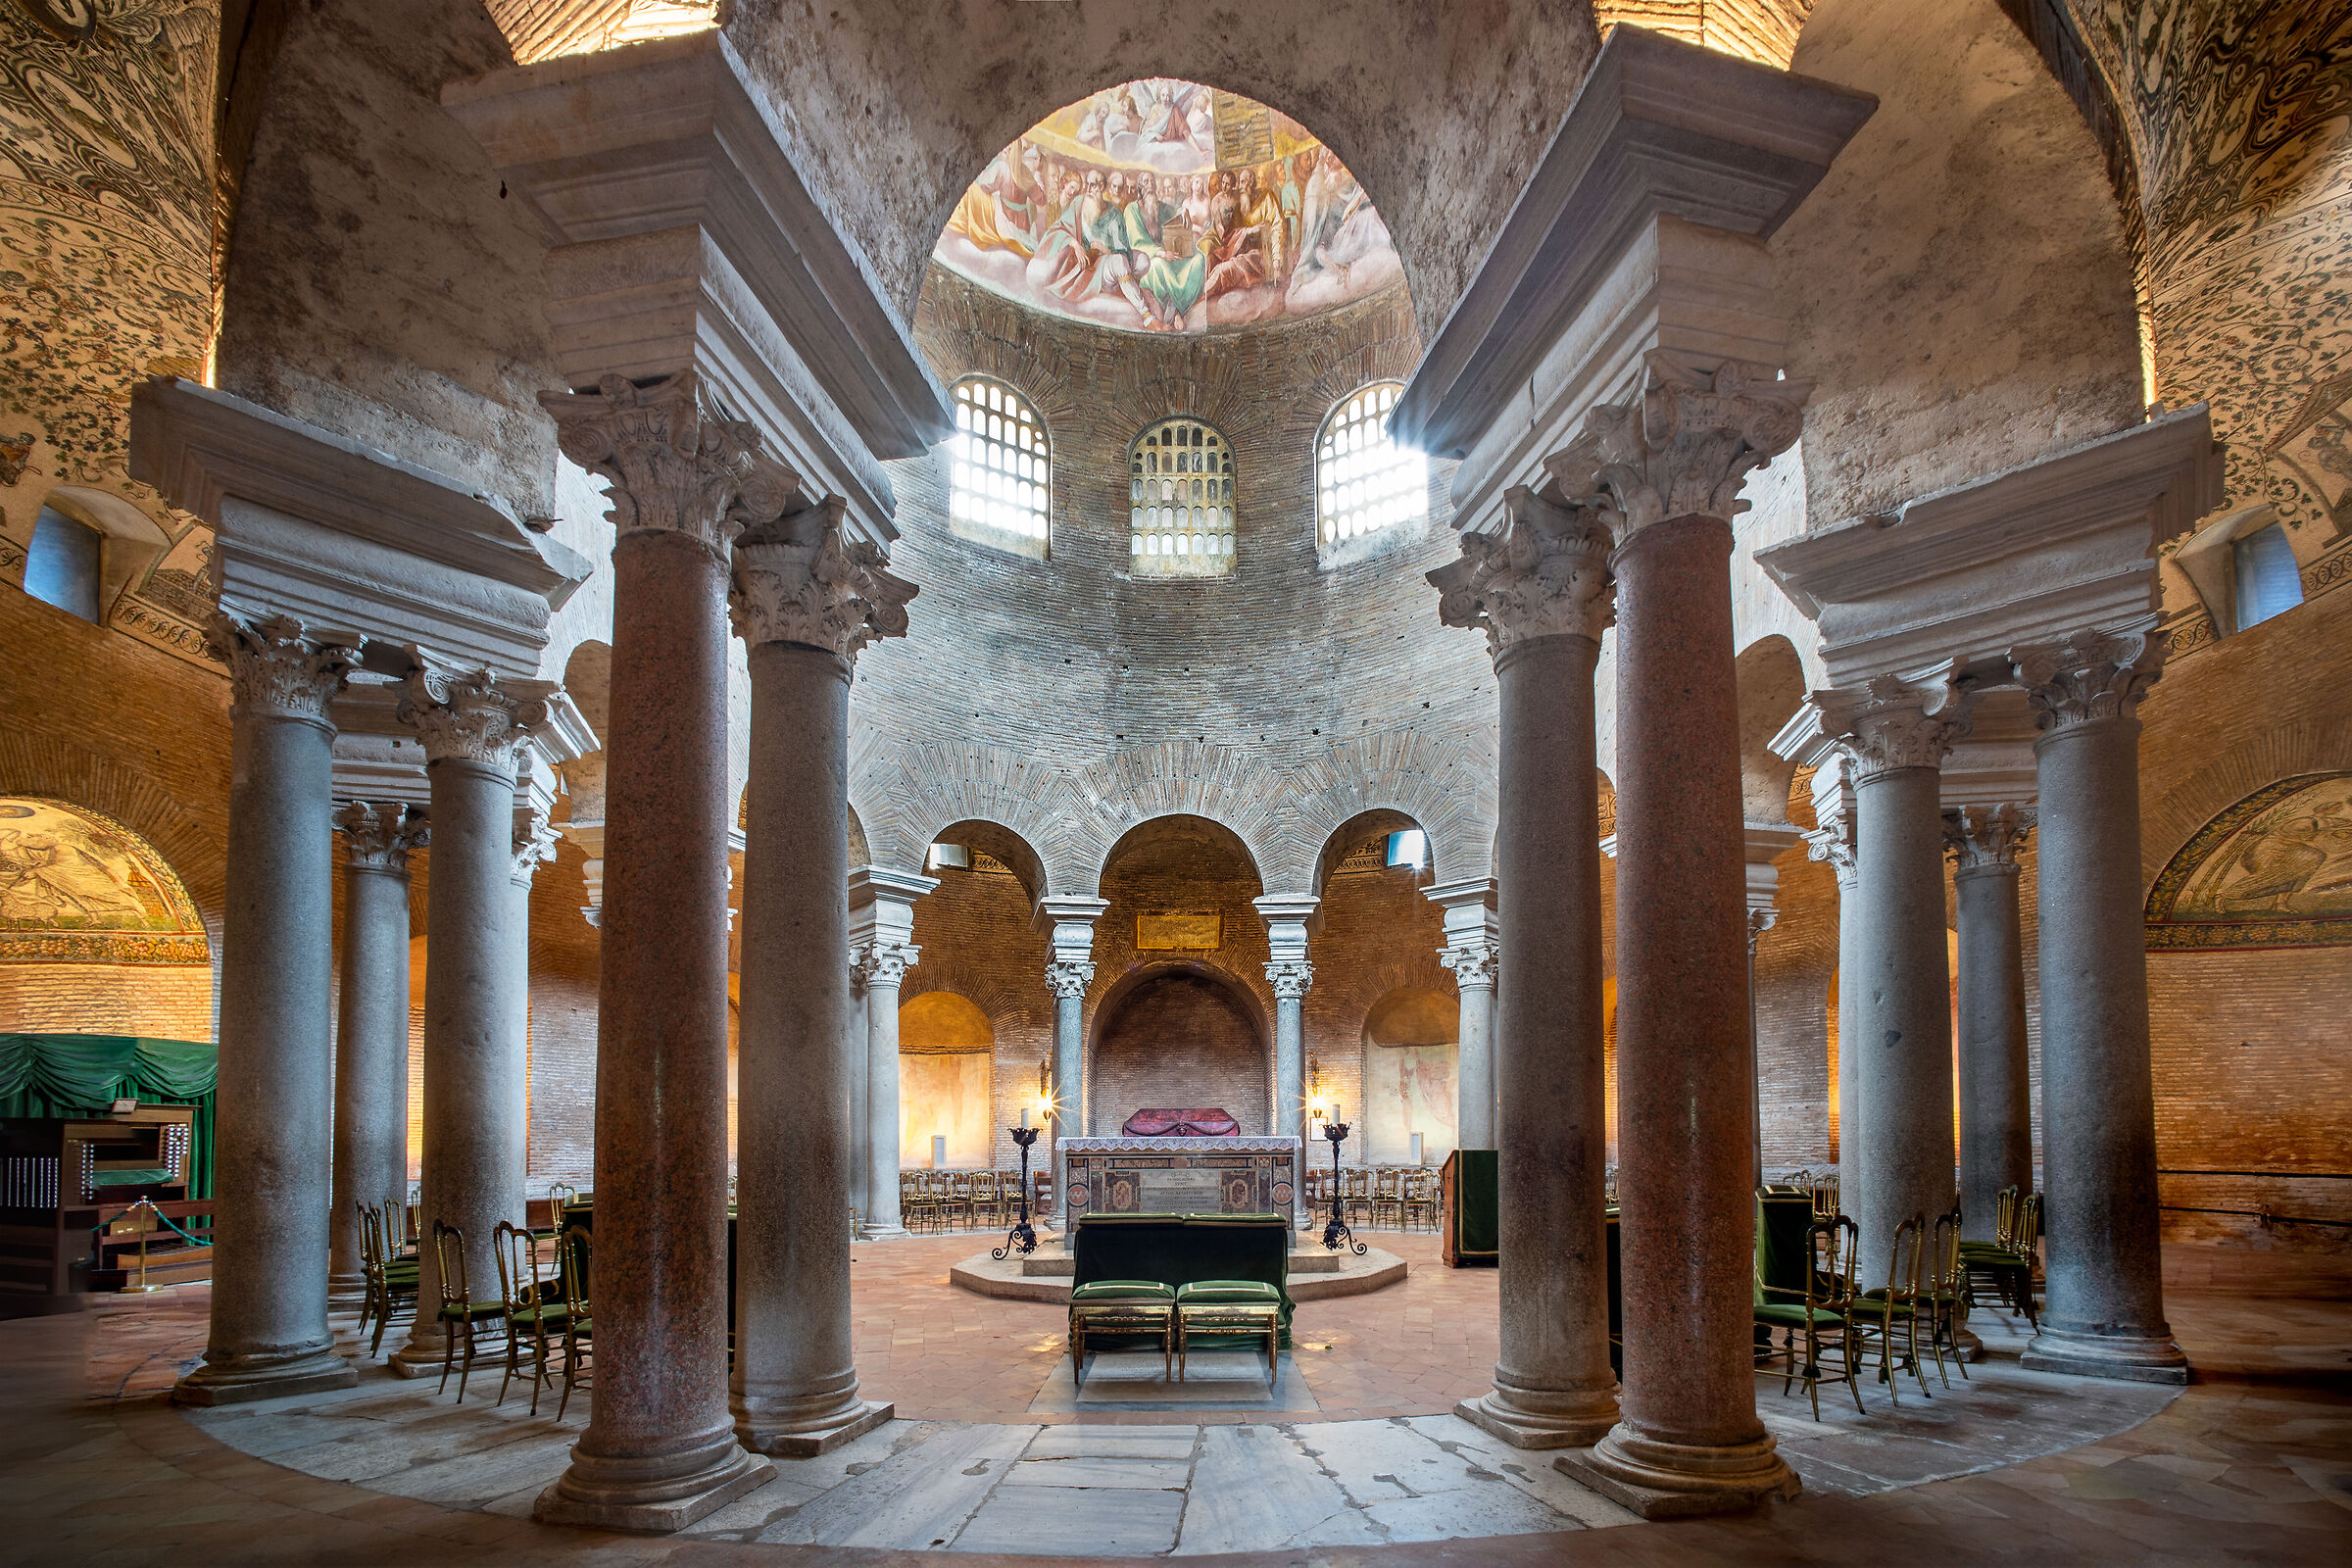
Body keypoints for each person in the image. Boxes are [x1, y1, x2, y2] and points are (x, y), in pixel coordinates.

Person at [946, 138, 1044, 257]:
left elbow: (985, 187)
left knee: (972, 190)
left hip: (1003, 218)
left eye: (1006, 149)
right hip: (1023, 223)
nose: (1002, 150)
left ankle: (958, 223)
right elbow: (1041, 199)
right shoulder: (1025, 172)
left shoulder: (1002, 167)